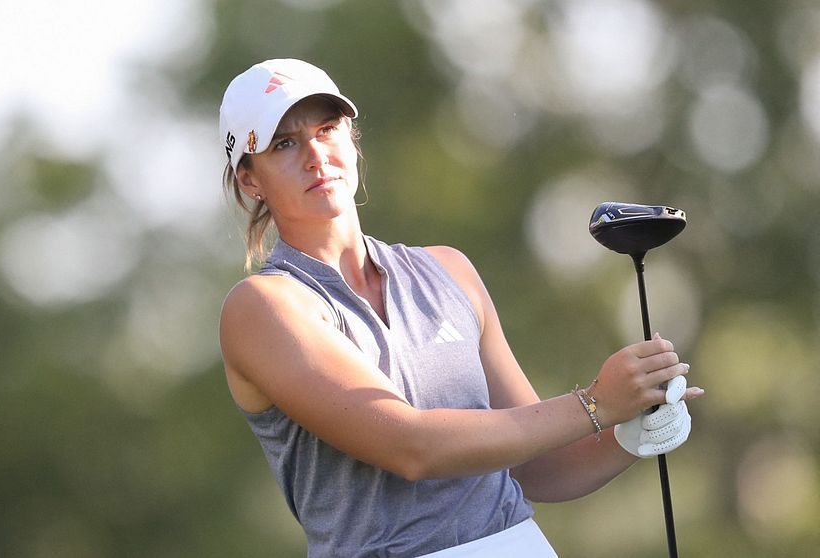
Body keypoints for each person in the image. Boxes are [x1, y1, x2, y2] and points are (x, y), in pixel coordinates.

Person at [217, 58, 703, 558]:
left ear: (351, 139)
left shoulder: (449, 270)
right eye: (285, 144)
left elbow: (535, 466)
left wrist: (629, 433)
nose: (316, 155)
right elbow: (412, 448)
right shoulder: (263, 308)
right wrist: (596, 404)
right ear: (250, 180)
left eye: (327, 129)